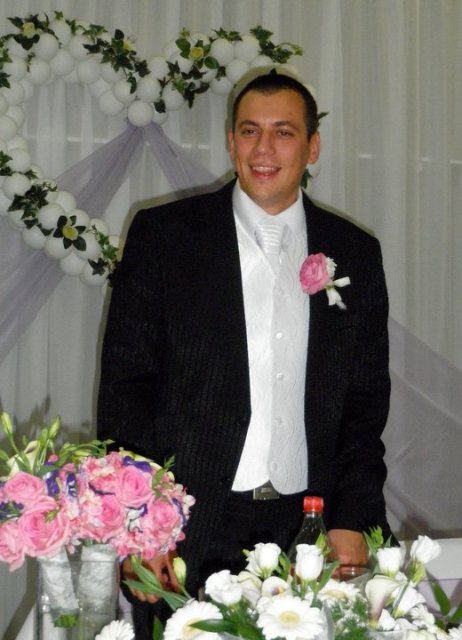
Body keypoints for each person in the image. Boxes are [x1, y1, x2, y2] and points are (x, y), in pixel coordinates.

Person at [97, 68, 393, 638]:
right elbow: (126, 393)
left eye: (283, 132)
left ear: (312, 147)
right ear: (231, 142)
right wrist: (142, 528)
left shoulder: (355, 251)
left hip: (310, 528)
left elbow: (365, 404)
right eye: (250, 131)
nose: (264, 148)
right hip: (188, 528)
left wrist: (352, 517)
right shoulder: (164, 237)